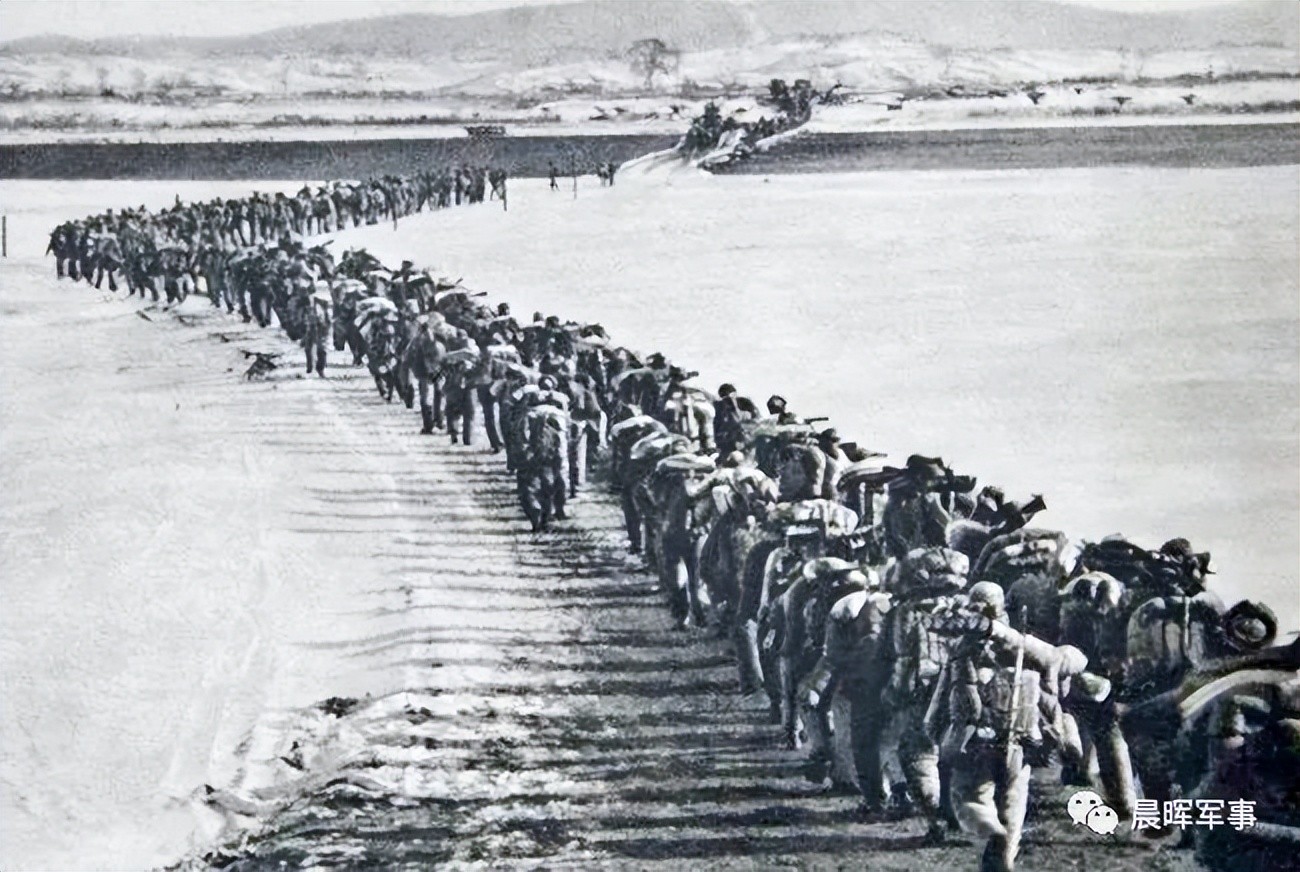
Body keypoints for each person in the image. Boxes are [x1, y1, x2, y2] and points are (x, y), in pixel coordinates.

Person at [713, 383, 759, 456]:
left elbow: (755, 418)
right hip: (728, 440)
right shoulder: (720, 407)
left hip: (745, 436)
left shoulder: (744, 402)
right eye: (725, 397)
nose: (728, 400)